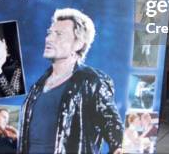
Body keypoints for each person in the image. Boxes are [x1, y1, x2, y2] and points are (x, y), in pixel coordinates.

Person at [19, 8, 123, 154]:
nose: (49, 38)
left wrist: (118, 147)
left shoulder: (92, 81)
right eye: (49, 33)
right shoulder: (37, 86)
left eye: (59, 34)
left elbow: (113, 126)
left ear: (78, 44)